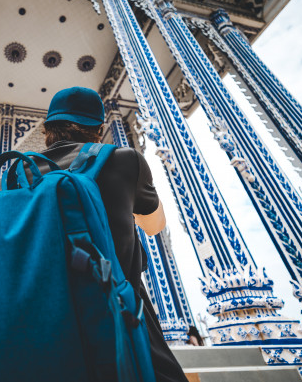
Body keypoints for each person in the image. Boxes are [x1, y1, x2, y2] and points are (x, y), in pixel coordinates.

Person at [28, 86, 188, 382]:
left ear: (48, 127)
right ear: (98, 129)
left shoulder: (20, 170)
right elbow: (154, 226)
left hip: (41, 314)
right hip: (117, 307)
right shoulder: (123, 159)